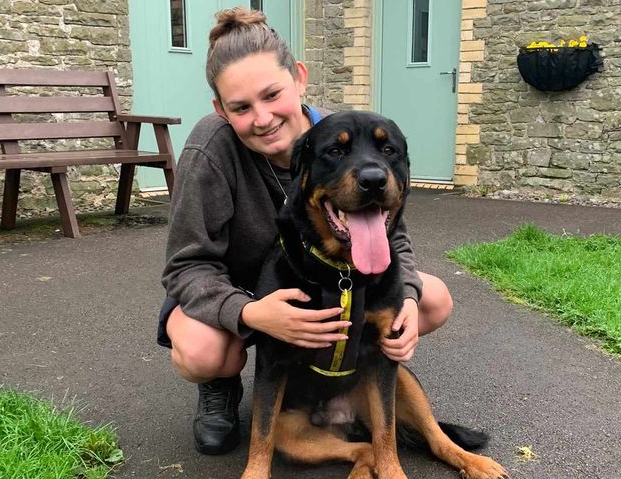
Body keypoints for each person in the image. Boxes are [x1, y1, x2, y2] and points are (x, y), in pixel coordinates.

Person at [157, 7, 453, 455]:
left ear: (298, 78)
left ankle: (335, 380)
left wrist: (406, 294)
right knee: (204, 351)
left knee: (432, 300)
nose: (262, 118)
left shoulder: (345, 136)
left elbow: (392, 228)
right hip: (237, 291)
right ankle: (221, 386)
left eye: (272, 94)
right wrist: (250, 312)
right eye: (240, 108)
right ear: (220, 110)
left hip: (324, 286)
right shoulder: (211, 148)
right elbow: (186, 264)